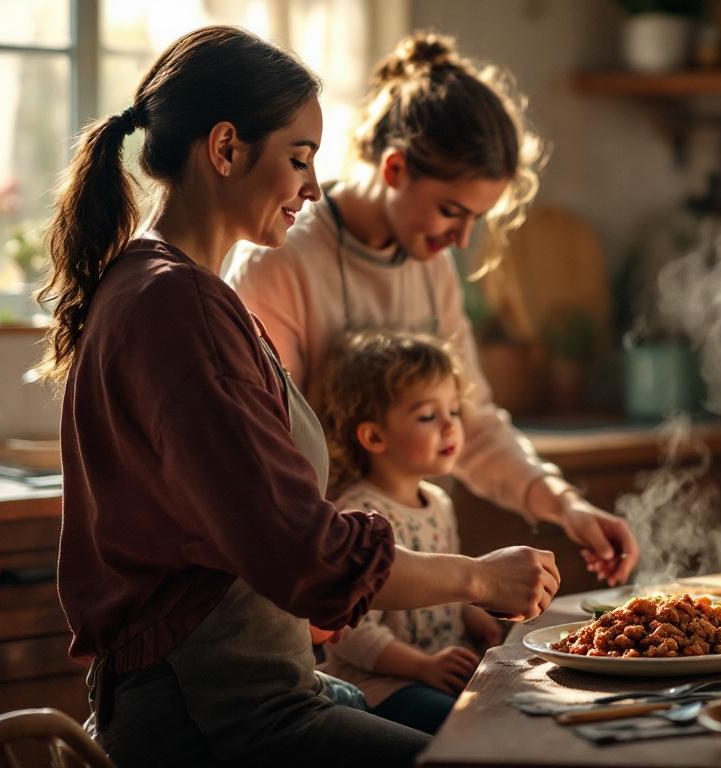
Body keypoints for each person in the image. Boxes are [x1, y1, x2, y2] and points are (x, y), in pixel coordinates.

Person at [42, 26, 558, 768]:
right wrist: (480, 575)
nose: (313, 187)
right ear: (225, 150)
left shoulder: (177, 291)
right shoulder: (175, 306)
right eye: (299, 158)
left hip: (256, 694)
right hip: (217, 719)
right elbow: (303, 554)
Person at [223, 32, 639, 587]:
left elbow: (471, 420)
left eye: (475, 220)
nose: (461, 240)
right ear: (394, 170)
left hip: (405, 580)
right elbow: (273, 467)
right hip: (313, 584)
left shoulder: (431, 263)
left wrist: (566, 506)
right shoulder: (278, 261)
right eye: (450, 211)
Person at [312, 330, 503, 734]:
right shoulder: (358, 515)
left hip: (443, 672)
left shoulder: (439, 503)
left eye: (453, 411)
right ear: (374, 436)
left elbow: (448, 590)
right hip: (384, 686)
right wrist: (423, 666)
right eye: (428, 416)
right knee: (466, 729)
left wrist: (474, 617)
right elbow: (348, 633)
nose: (450, 427)